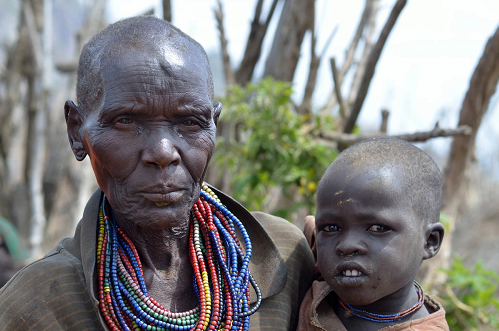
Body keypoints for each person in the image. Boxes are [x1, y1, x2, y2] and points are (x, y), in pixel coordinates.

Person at [0, 16, 315, 331]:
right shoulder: (35, 304)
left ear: (214, 128)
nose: (164, 152)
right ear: (76, 131)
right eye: (126, 121)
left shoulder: (286, 255)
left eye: (190, 122)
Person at [298, 137, 449, 330]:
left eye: (377, 228)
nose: (347, 245)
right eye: (331, 228)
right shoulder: (310, 262)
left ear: (429, 241)